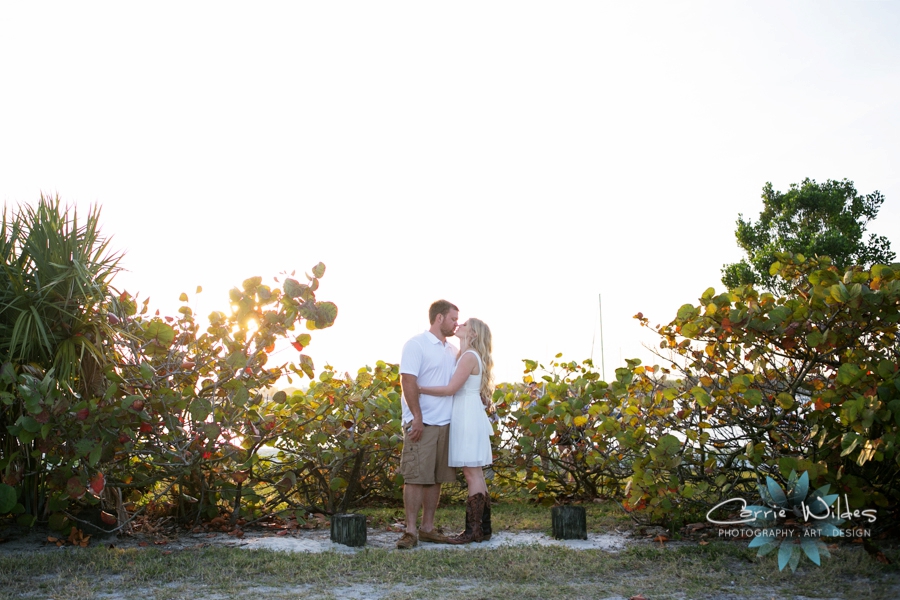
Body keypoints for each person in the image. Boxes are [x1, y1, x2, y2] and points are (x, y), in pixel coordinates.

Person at [419, 317, 494, 544]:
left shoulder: (469, 357)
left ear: (472, 334)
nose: (458, 326)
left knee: (472, 473)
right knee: (476, 473)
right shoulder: (468, 356)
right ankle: (483, 528)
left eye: (464, 325)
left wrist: (419, 388)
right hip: (469, 413)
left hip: (467, 416)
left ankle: (473, 531)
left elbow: (451, 388)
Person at [396, 300, 460, 549]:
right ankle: (410, 532)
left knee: (435, 478)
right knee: (414, 477)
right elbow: (408, 381)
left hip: (445, 423)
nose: (456, 323)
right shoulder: (416, 344)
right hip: (422, 422)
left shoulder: (453, 350)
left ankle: (428, 528)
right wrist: (417, 418)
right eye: (453, 319)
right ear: (439, 318)